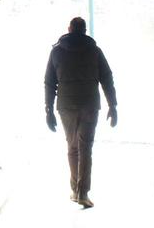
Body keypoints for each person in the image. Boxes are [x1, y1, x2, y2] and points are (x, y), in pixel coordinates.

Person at [43, 16, 117, 208]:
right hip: (90, 105)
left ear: (69, 29)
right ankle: (82, 193)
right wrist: (113, 106)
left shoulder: (56, 52)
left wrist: (48, 110)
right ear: (84, 31)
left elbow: (50, 83)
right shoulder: (94, 51)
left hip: (66, 105)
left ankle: (75, 191)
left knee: (72, 147)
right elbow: (107, 78)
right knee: (85, 148)